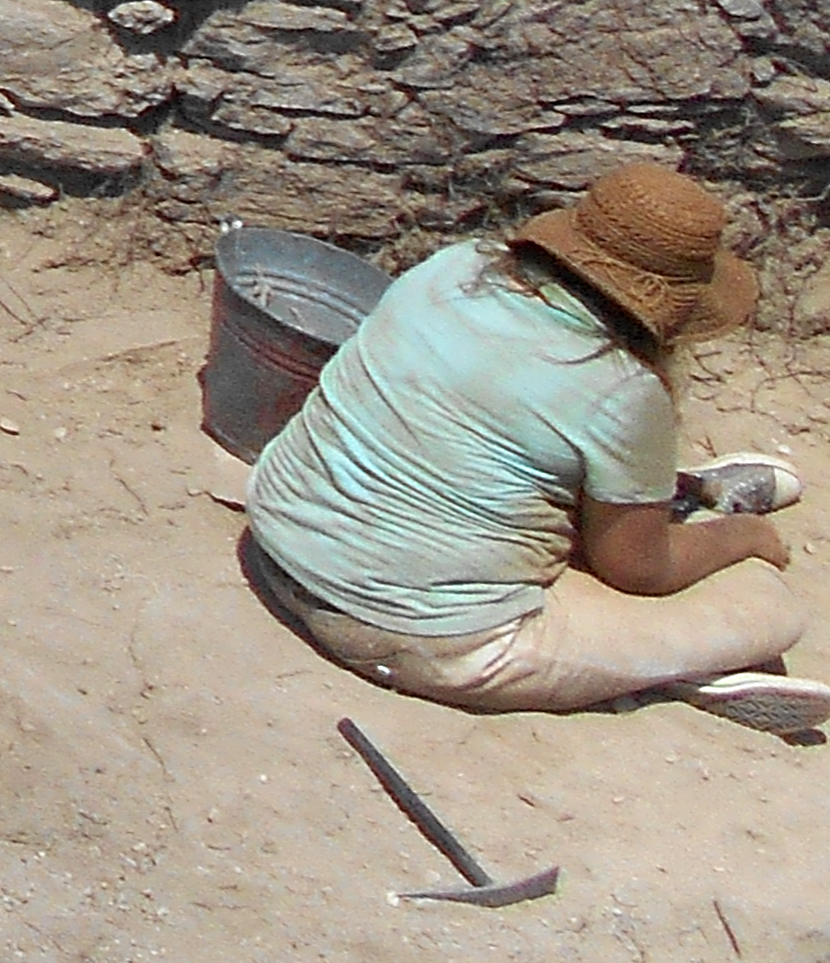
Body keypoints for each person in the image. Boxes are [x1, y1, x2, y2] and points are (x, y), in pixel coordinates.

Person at [242, 163, 823, 734]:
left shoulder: (454, 266)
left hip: (277, 542)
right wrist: (745, 538)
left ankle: (661, 507)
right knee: (765, 604)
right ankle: (678, 667)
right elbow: (639, 571)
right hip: (412, 634)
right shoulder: (623, 389)